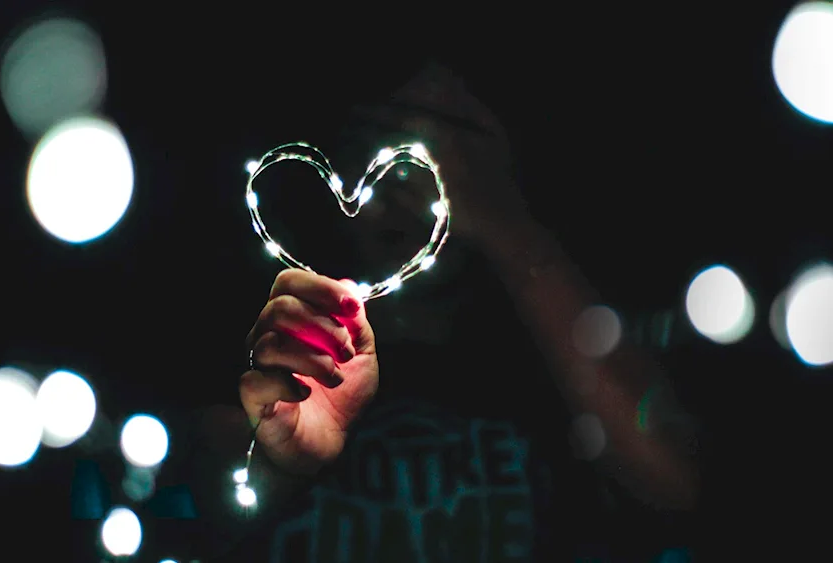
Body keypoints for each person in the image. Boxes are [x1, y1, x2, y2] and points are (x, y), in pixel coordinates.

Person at [181, 62, 700, 562]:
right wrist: (277, 469)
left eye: (456, 137)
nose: (414, 170)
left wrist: (504, 222)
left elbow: (681, 484)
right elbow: (182, 522)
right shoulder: (271, 337)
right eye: (381, 133)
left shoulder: (561, 361)